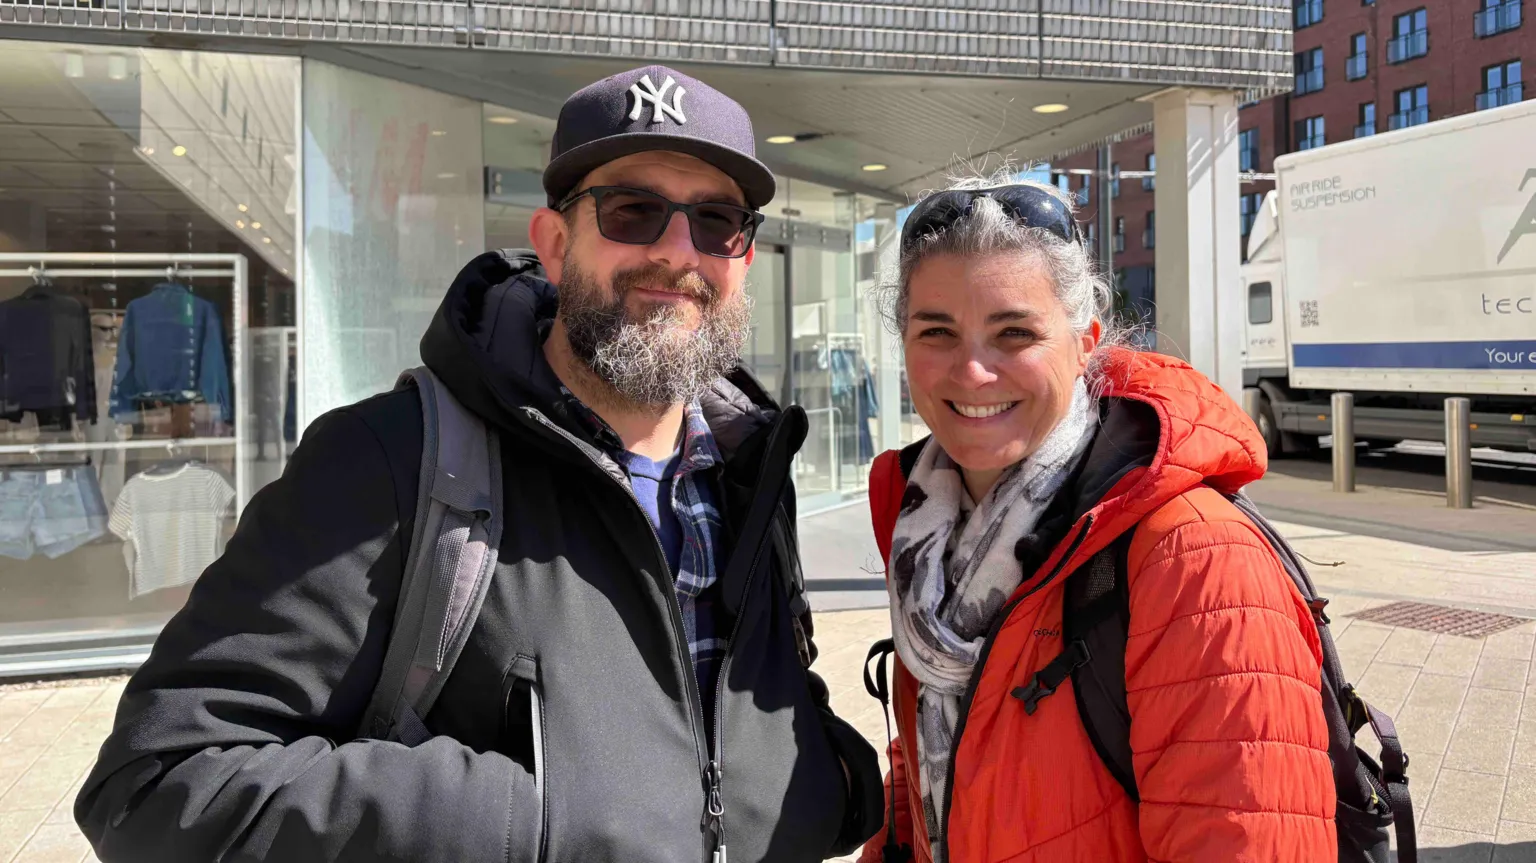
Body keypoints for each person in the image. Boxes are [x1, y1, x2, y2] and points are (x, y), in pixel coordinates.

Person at [75, 65, 882, 863]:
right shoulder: (394, 459)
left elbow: (729, 711)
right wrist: (526, 821)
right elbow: (157, 781)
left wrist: (826, 780)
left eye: (716, 219)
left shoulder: (750, 473)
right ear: (556, 244)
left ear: (743, 259)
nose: (679, 252)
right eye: (634, 210)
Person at [858, 175, 1336, 863]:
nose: (972, 370)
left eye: (1013, 331)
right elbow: (939, 763)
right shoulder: (924, 532)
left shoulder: (1194, 559)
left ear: (1086, 342)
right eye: (937, 331)